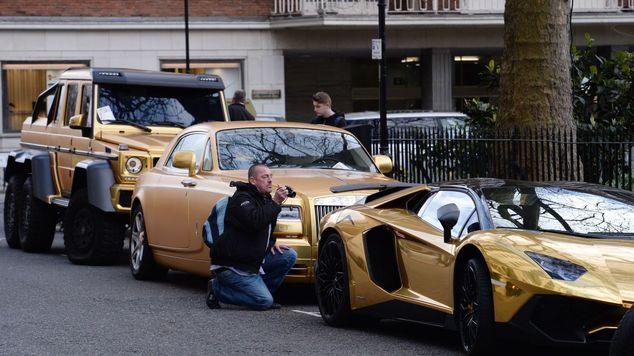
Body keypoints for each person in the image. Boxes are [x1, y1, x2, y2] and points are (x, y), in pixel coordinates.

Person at [206, 163, 297, 310]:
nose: (270, 180)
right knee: (264, 302)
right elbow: (255, 222)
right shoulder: (241, 198)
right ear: (253, 180)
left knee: (288, 256)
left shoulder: (264, 199)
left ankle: (261, 293)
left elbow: (265, 227)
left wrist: (271, 242)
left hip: (250, 261)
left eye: (271, 176)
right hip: (232, 265)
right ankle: (217, 289)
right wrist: (275, 202)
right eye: (265, 177)